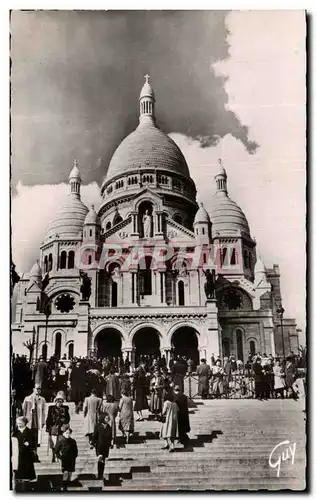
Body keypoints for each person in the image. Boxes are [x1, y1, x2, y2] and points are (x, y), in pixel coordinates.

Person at [12, 416, 36, 491]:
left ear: (24, 423)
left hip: (27, 454)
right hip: (18, 453)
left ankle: (27, 486)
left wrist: (29, 444)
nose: (18, 424)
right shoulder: (15, 432)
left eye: (20, 423)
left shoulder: (30, 431)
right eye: (17, 423)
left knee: (27, 470)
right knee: (19, 470)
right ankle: (19, 484)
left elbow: (34, 442)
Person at [46, 391, 70, 462]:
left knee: (60, 441)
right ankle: (54, 456)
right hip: (53, 427)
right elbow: (49, 418)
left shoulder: (65, 408)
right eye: (58, 401)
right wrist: (48, 427)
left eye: (61, 401)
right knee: (53, 442)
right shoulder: (51, 408)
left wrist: (65, 424)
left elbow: (68, 418)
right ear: (55, 402)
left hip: (62, 427)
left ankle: (58, 455)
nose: (59, 403)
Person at [22, 385, 46, 458]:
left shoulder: (42, 399)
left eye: (39, 389)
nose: (38, 390)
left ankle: (35, 455)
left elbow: (43, 411)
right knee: (28, 439)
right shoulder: (27, 398)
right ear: (33, 389)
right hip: (29, 422)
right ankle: (28, 455)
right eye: (37, 389)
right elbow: (24, 410)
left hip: (36, 422)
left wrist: (43, 421)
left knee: (35, 439)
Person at [55, 424, 78, 491]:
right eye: (66, 433)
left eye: (69, 433)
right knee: (65, 472)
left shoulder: (73, 441)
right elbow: (56, 450)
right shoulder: (61, 441)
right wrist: (60, 457)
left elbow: (76, 450)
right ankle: (64, 487)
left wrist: (75, 456)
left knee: (70, 472)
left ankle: (67, 483)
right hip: (64, 459)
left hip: (72, 459)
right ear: (63, 433)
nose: (68, 434)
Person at [92, 413, 112, 480]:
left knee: (103, 461)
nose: (108, 419)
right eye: (106, 418)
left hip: (106, 446)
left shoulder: (109, 426)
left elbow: (110, 436)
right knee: (100, 459)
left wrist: (110, 444)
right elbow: (95, 435)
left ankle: (101, 475)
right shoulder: (98, 425)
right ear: (103, 418)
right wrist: (92, 443)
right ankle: (99, 475)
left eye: (108, 418)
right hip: (99, 445)